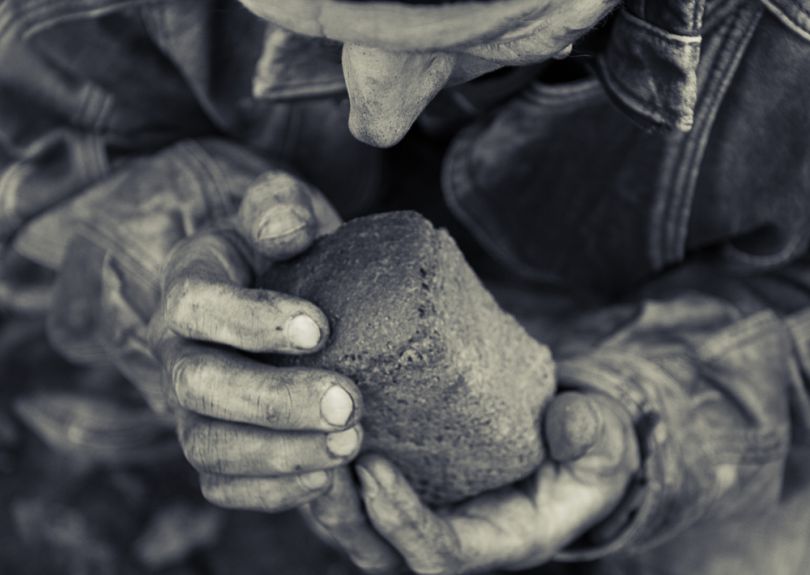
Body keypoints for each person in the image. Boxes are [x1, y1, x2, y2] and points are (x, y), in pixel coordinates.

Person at [1, 0, 810, 573]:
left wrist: (650, 425)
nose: (373, 114)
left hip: (672, 319)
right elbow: (30, 153)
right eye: (312, 20)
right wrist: (177, 247)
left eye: (470, 23)